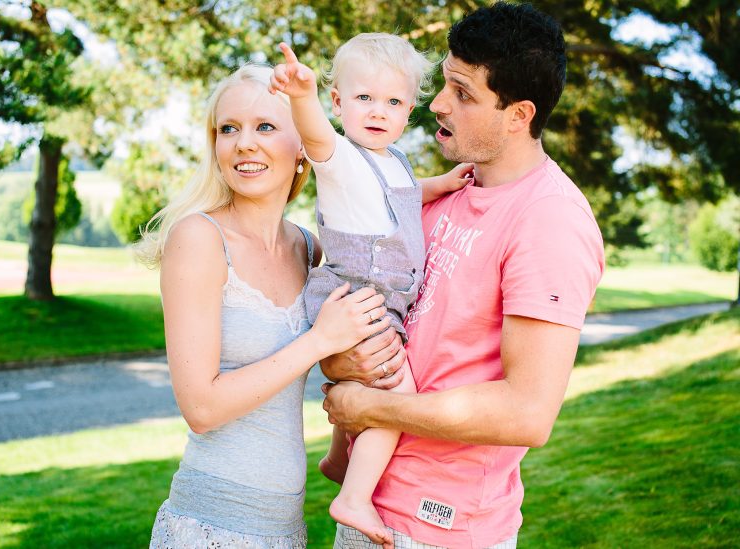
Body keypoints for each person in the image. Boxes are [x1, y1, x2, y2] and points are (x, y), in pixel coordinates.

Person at [320, 3, 606, 548]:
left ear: (519, 115)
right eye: (445, 82)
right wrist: (340, 356)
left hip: (443, 527)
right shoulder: (446, 191)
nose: (437, 104)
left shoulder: (550, 220)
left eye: (464, 93)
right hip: (371, 504)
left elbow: (527, 411)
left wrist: (368, 405)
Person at [142, 64, 391, 549]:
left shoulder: (308, 248)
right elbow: (202, 407)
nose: (243, 144)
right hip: (208, 525)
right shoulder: (199, 239)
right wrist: (319, 341)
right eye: (228, 129)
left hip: (285, 528)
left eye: (265, 127)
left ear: (304, 146)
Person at [269, 33, 471, 548]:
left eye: (393, 102)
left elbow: (401, 196)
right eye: (363, 98)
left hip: (380, 303)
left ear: (409, 111)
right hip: (357, 300)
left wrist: (441, 184)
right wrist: (301, 98)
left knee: (369, 385)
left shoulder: (395, 161)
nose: (378, 111)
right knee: (396, 394)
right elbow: (316, 139)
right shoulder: (339, 159)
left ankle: (340, 457)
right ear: (338, 102)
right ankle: (354, 497)